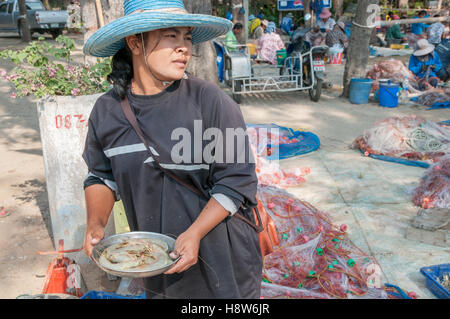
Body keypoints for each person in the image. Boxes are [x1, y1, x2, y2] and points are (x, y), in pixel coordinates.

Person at [82, 0, 262, 299]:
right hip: (156, 266)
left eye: (187, 37)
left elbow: (236, 181)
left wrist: (194, 234)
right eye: (171, 36)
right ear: (134, 42)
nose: (184, 48)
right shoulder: (107, 111)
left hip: (221, 261)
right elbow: (101, 177)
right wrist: (95, 224)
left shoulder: (210, 101)